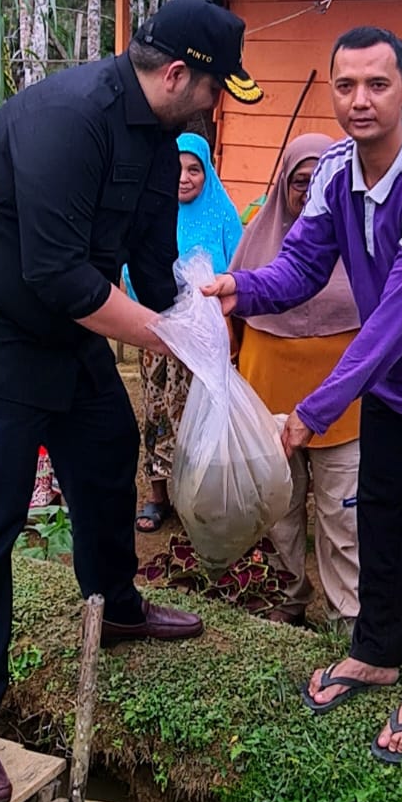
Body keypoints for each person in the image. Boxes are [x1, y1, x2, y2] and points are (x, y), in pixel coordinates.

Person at [0, 0, 263, 802]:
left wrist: (190, 305)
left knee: (103, 449)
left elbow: (147, 247)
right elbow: (59, 276)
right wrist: (164, 341)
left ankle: (116, 601)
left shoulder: (162, 131)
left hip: (58, 325)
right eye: (212, 89)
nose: (214, 106)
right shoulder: (67, 118)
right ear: (177, 74)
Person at [204, 26, 402, 764]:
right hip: (395, 374)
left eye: (376, 84)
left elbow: (393, 324)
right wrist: (238, 288)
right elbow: (300, 269)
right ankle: (375, 652)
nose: (359, 100)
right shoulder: (338, 171)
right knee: (382, 518)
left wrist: (309, 415)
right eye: (345, 85)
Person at [230, 133, 362, 629]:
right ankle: (287, 594)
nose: (308, 193)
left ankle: (345, 613)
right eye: (299, 182)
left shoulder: (362, 249)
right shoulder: (258, 242)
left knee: (342, 517)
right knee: (277, 509)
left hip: (343, 411)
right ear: (282, 185)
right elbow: (233, 320)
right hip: (268, 402)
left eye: (320, 182)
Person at [137, 133, 242, 533]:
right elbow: (134, 269)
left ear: (207, 172)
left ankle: (195, 498)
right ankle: (157, 496)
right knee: (156, 412)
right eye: (175, 168)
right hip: (157, 333)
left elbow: (238, 271)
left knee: (198, 416)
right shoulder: (152, 212)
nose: (183, 178)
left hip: (206, 338)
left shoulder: (223, 214)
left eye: (194, 169)